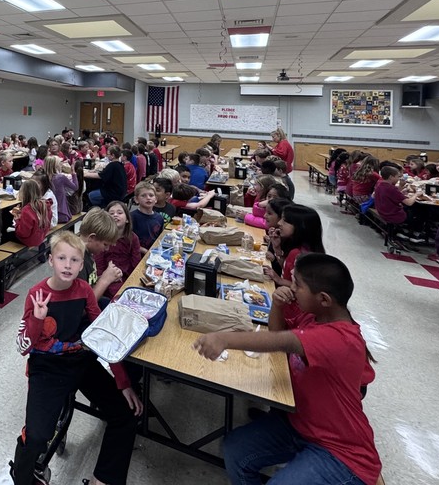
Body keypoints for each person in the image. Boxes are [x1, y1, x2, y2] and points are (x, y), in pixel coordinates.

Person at [194, 253, 381, 485]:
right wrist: (277, 305)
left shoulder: (342, 338)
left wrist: (224, 339)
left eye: (297, 285)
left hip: (340, 453)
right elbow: (277, 333)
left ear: (323, 299)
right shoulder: (315, 318)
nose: (291, 288)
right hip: (299, 424)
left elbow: (283, 342)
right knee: (235, 450)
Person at [11, 231, 142, 485]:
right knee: (38, 436)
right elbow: (23, 347)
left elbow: (101, 335)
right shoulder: (37, 294)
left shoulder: (84, 290)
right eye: (62, 258)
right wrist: (38, 319)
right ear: (51, 261)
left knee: (126, 414)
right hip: (47, 369)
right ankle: (23, 475)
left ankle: (103, 479)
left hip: (81, 362)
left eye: (74, 260)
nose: (68, 265)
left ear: (82, 264)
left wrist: (123, 382)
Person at [266, 204, 325, 293]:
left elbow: (303, 289)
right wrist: (277, 248)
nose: (279, 223)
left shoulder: (300, 254)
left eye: (285, 220)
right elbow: (288, 270)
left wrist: (279, 280)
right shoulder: (294, 245)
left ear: (300, 226)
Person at [76, 206, 125, 302]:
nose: (106, 249)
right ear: (92, 237)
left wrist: (108, 276)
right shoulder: (76, 263)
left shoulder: (88, 252)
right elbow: (83, 308)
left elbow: (89, 282)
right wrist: (104, 280)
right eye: (105, 244)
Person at [98, 201, 145, 296]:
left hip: (127, 277)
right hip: (107, 277)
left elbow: (136, 262)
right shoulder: (102, 238)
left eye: (119, 213)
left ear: (127, 219)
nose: (115, 215)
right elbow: (99, 262)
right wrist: (102, 277)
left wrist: (133, 279)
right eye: (111, 213)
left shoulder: (133, 238)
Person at [10, 179, 52, 248]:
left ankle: (7, 256)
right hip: (40, 237)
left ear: (24, 193)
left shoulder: (27, 209)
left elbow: (23, 233)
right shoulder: (45, 204)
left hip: (29, 240)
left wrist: (17, 220)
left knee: (6, 232)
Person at [130, 181, 165, 250]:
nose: (148, 198)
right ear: (136, 199)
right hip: (136, 254)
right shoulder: (131, 217)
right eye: (143, 195)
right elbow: (127, 241)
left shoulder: (159, 218)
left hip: (154, 253)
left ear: (156, 199)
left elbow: (159, 238)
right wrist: (143, 250)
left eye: (151, 195)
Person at [44, 156, 79, 224]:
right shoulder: (60, 177)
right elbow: (75, 187)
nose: (62, 164)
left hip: (47, 213)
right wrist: (73, 173)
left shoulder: (43, 177)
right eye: (60, 163)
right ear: (56, 165)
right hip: (61, 213)